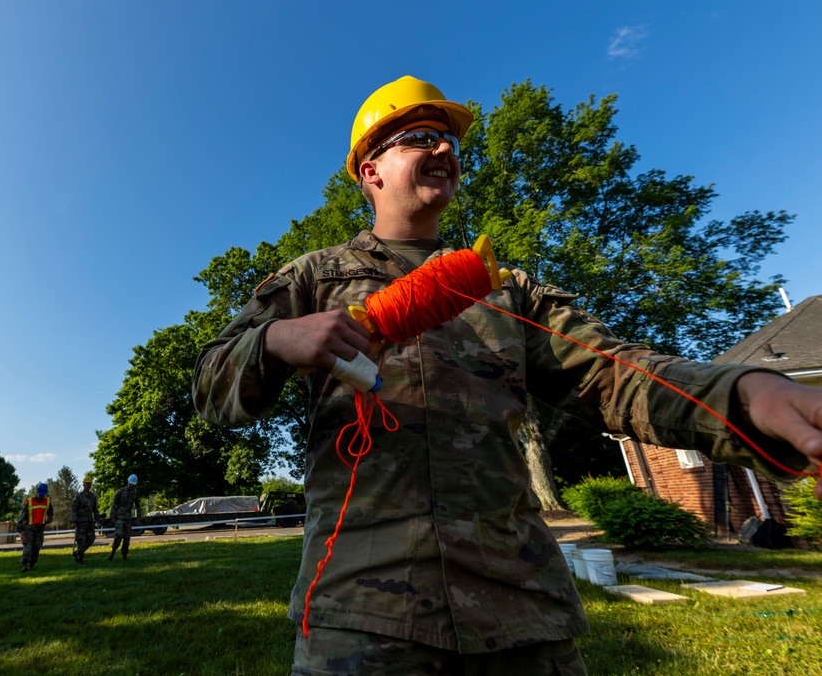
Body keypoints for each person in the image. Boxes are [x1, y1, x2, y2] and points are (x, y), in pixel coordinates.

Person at [191, 75, 822, 674]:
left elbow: (616, 375)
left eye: (449, 139)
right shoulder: (312, 278)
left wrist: (742, 393)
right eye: (418, 136)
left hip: (521, 612)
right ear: (370, 170)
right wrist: (273, 340)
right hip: (364, 614)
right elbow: (211, 387)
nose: (442, 146)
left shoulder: (506, 289)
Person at [17, 483, 53, 573]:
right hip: (29, 528)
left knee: (37, 546)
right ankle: (24, 564)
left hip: (40, 528)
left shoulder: (48, 501)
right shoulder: (29, 502)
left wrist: (49, 519)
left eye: (43, 494)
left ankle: (32, 562)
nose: (41, 496)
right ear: (37, 492)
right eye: (40, 494)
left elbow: (50, 511)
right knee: (28, 547)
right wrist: (19, 525)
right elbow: (23, 514)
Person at [108, 474, 142, 561]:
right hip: (119, 517)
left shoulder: (135, 493)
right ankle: (113, 551)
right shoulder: (120, 492)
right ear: (128, 482)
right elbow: (114, 504)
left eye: (133, 485)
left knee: (127, 537)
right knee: (118, 535)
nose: (131, 486)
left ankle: (124, 555)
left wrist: (139, 517)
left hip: (128, 518)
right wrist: (112, 516)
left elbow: (138, 506)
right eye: (130, 484)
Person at [71, 475, 101, 563]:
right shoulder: (78, 497)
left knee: (91, 538)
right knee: (81, 540)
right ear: (83, 485)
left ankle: (78, 552)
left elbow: (95, 509)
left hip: (89, 521)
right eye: (87, 484)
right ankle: (79, 557)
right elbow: (74, 509)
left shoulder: (92, 497)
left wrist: (97, 518)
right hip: (80, 522)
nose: (88, 485)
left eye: (89, 484)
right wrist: (74, 520)